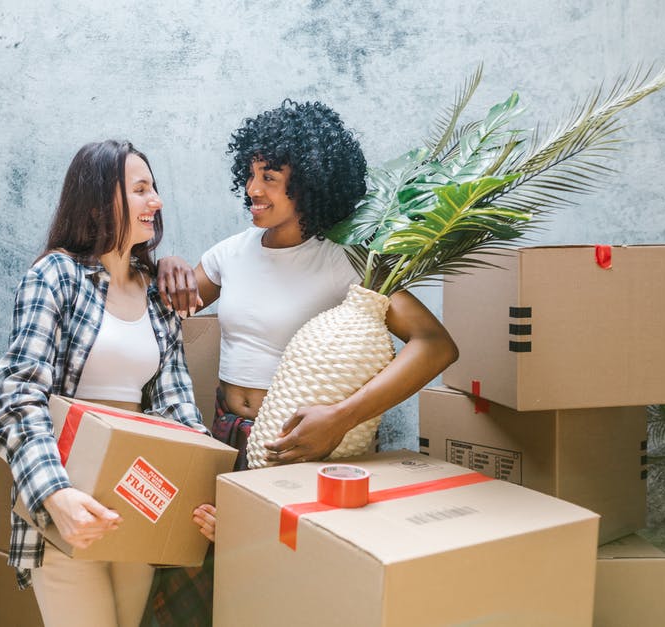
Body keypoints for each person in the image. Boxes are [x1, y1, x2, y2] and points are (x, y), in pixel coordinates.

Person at [145, 101, 459, 626]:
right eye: (249, 173)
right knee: (195, 589)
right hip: (225, 439)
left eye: (270, 177)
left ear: (311, 183)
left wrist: (342, 418)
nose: (253, 188)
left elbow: (435, 345)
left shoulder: (346, 262)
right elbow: (164, 306)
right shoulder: (232, 253)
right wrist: (168, 263)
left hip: (300, 450)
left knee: (280, 595)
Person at [0, 139, 210, 627]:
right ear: (102, 200)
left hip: (137, 504)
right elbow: (15, 398)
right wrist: (54, 497)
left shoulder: (156, 294)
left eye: (155, 188)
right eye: (141, 189)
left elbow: (178, 409)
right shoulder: (56, 276)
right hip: (68, 504)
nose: (157, 201)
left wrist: (203, 493)